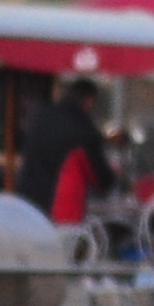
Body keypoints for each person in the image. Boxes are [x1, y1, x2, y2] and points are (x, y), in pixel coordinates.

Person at [12, 69, 109, 224]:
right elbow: (101, 180)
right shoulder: (84, 131)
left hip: (26, 202)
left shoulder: (41, 117)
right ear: (90, 101)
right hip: (59, 211)